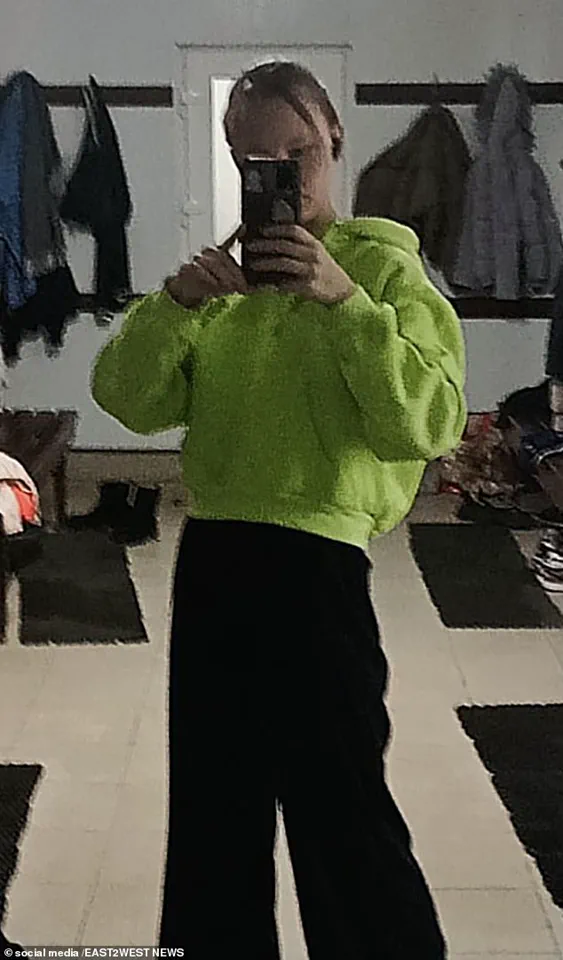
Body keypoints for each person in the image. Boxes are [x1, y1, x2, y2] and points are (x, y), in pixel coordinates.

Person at [92, 60, 466, 959]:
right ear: (234, 162)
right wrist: (173, 308)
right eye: (256, 160)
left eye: (298, 153)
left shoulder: (385, 272)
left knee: (342, 815)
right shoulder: (222, 282)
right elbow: (128, 400)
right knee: (212, 819)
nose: (282, 176)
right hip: (213, 558)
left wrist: (346, 304)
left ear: (334, 139)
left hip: (318, 570)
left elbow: (428, 423)